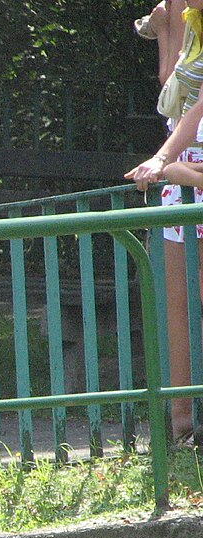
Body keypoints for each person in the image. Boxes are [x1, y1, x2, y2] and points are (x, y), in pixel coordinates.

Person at [127, 0, 203, 443]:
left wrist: (171, 168)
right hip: (187, 181)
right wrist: (163, 160)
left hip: (190, 177)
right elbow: (187, 111)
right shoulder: (191, 19)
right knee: (176, 306)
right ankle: (180, 426)